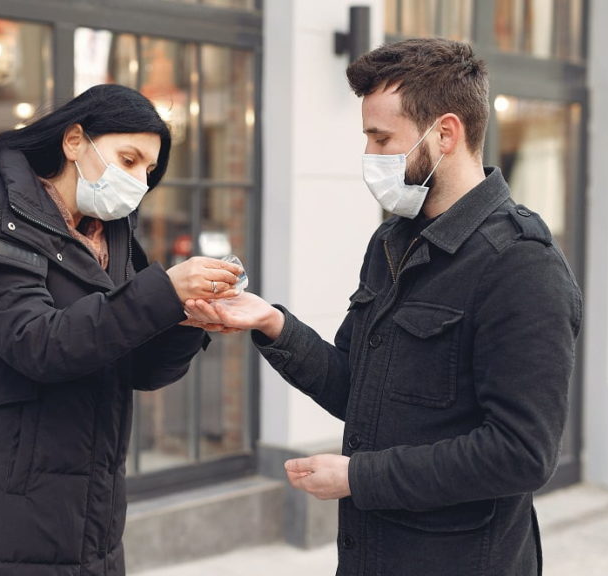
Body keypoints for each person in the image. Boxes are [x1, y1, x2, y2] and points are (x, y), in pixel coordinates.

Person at [186, 38, 582, 575]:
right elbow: (357, 389)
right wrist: (272, 323)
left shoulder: (520, 265)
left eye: (382, 138)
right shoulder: (392, 243)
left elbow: (521, 453)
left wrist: (358, 477)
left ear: (445, 133)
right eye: (367, 138)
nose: (370, 157)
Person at [0, 84, 243, 576]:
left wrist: (181, 320)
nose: (140, 180)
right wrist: (160, 293)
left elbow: (137, 368)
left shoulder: (110, 235)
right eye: (129, 158)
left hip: (86, 507)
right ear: (74, 141)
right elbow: (39, 343)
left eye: (149, 169)